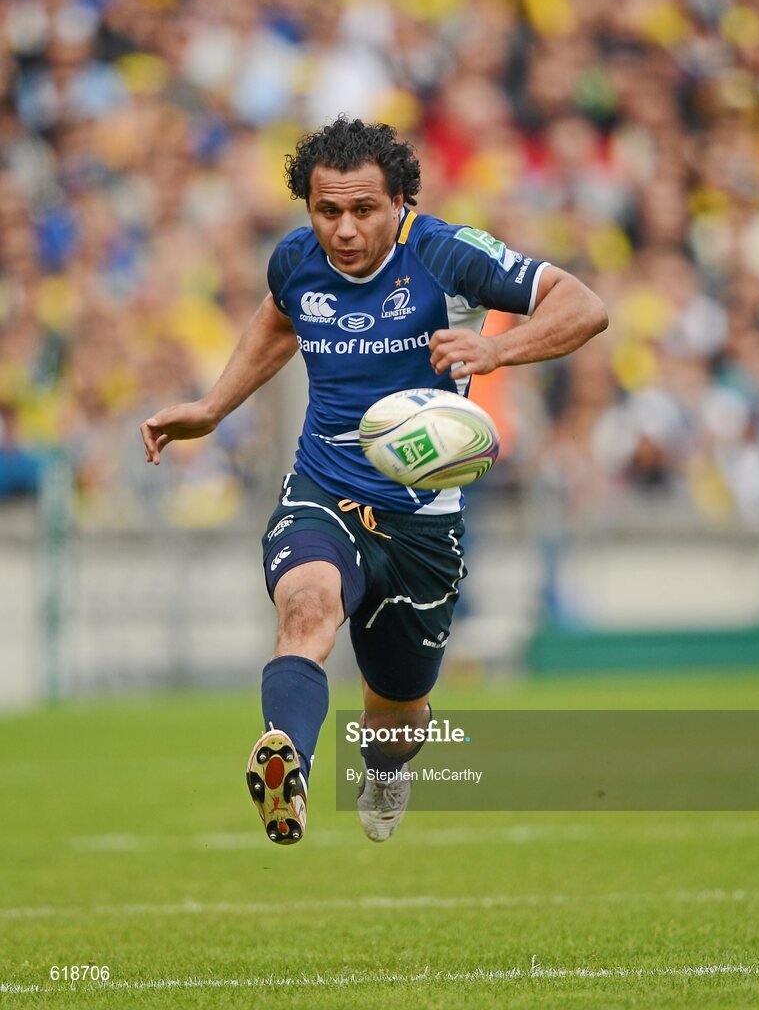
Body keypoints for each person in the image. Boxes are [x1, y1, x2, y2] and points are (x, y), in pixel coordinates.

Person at [140, 116, 607, 846]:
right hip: (322, 490)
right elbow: (277, 321)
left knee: (397, 715)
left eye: (364, 210)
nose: (346, 229)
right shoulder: (296, 260)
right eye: (329, 211)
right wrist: (210, 406)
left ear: (399, 203)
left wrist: (496, 352)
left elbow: (584, 305)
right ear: (308, 209)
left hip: (421, 520)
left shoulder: (447, 254)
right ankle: (286, 759)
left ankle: (385, 764)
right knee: (306, 608)